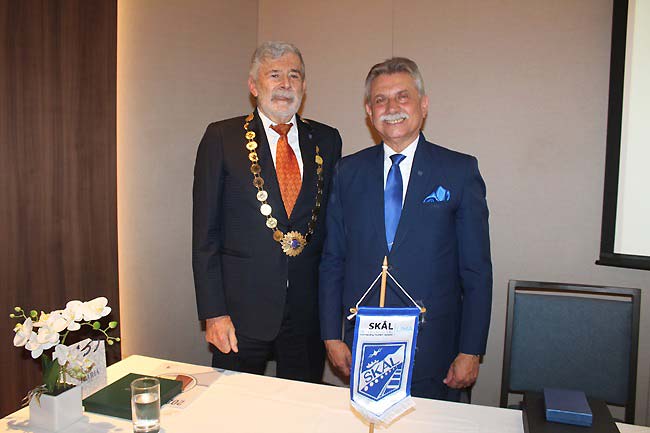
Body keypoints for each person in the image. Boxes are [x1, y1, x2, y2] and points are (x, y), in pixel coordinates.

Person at [319, 57, 492, 400]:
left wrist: (471, 350)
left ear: (423, 105)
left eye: (403, 97)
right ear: (369, 111)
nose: (392, 108)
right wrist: (331, 335)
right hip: (363, 346)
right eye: (380, 100)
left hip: (436, 351)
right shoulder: (347, 172)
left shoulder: (459, 171)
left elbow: (476, 271)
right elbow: (333, 259)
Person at [193, 41, 342, 383]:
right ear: (253, 85)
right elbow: (205, 236)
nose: (285, 84)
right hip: (239, 314)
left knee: (301, 405)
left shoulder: (327, 140)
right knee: (235, 405)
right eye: (274, 75)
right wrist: (214, 313)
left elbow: (332, 230)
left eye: (294, 75)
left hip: (307, 314)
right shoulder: (222, 138)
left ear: (304, 86)